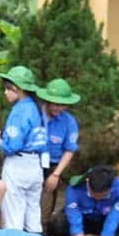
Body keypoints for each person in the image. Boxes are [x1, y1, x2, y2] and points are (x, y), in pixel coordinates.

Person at [0, 67, 51, 234]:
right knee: (33, 217)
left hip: (18, 165)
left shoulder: (20, 111)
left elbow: (12, 146)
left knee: (13, 217)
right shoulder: (36, 108)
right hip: (35, 165)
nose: (5, 93)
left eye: (7, 88)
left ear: (17, 89)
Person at [39, 78, 82, 219]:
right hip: (32, 163)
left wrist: (56, 174)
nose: (57, 108)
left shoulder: (69, 121)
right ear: (47, 101)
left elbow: (69, 150)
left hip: (52, 167)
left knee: (44, 211)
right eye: (54, 104)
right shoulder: (36, 116)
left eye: (62, 105)